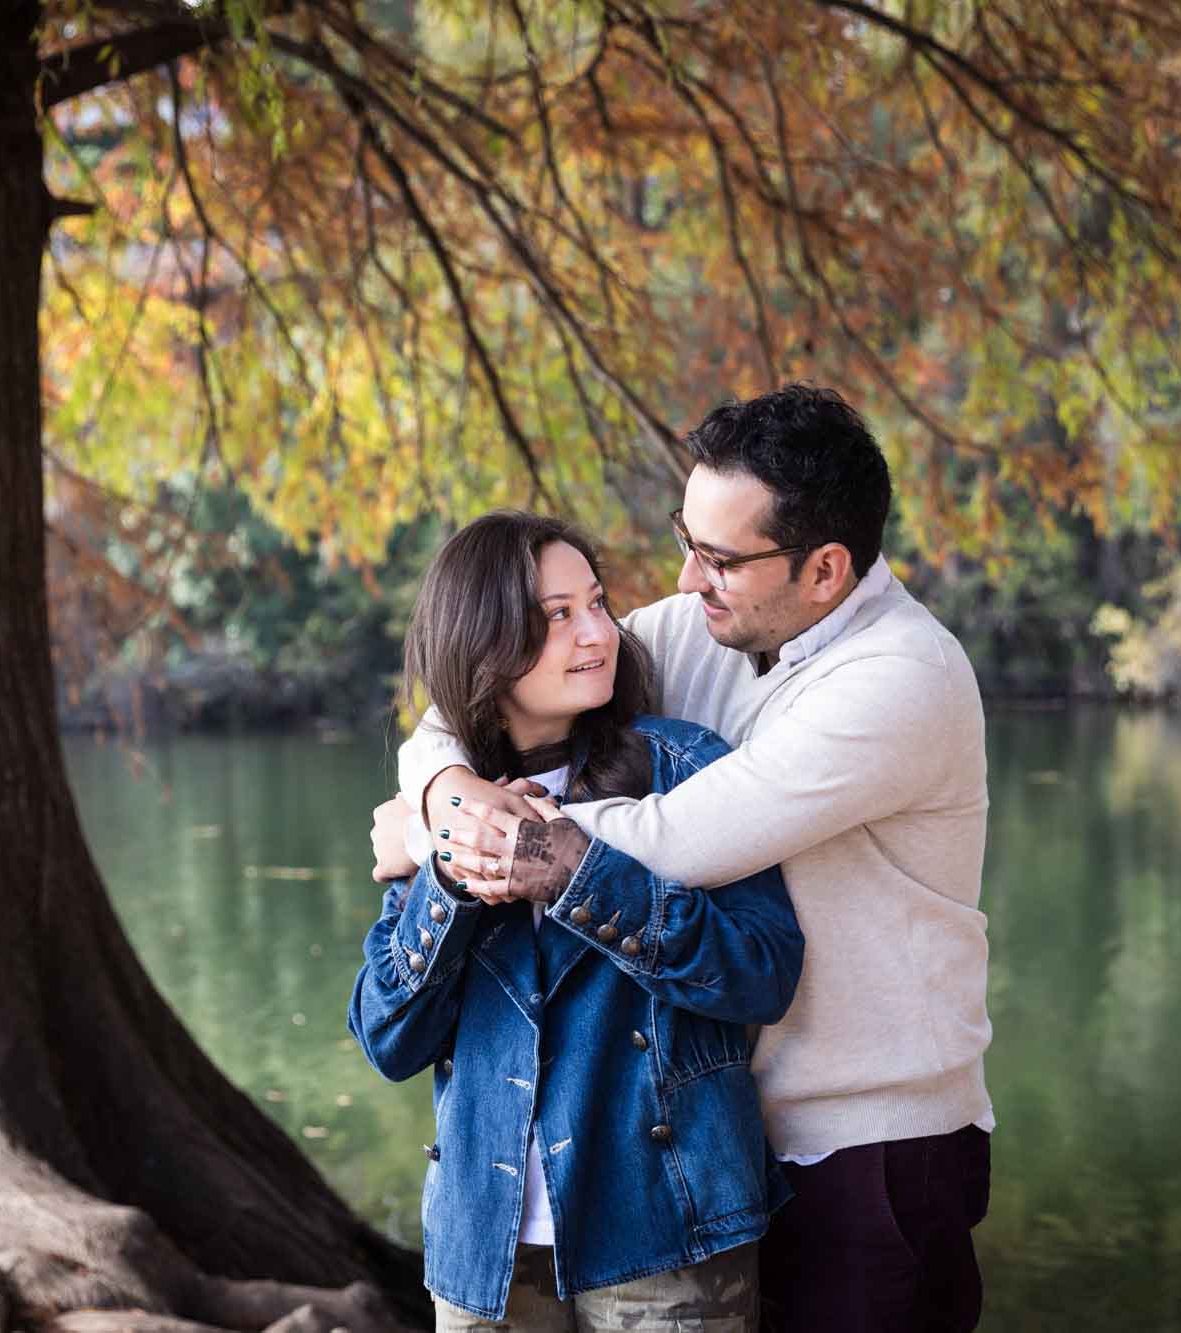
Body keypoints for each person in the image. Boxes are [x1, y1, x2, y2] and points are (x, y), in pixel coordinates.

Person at [378, 385, 994, 1333]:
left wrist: (456, 847)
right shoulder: (700, 628)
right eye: (686, 538)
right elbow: (469, 696)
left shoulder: (900, 678)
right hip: (727, 1143)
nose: (686, 576)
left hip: (871, 1144)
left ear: (825, 569)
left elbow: (675, 840)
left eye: (719, 557)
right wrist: (435, 796)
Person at [349, 510, 805, 1331]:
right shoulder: (444, 805)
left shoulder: (684, 767)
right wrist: (452, 876)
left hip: (668, 1221)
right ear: (482, 640)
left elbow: (762, 972)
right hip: (483, 1246)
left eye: (596, 602)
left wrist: (575, 874)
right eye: (556, 615)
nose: (598, 632)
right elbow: (389, 1037)